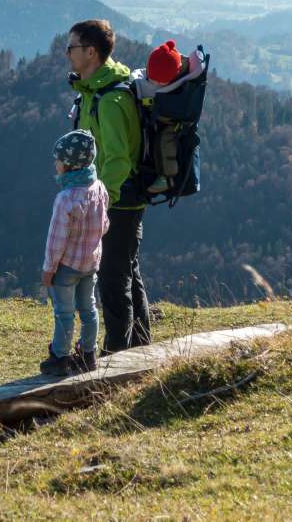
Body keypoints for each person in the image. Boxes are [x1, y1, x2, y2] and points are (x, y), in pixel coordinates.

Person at [65, 19, 150, 352]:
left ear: (91, 52)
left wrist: (102, 201)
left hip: (119, 201)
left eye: (71, 47)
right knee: (127, 270)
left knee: (114, 280)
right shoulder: (93, 91)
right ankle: (142, 347)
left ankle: (117, 354)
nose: (67, 54)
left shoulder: (111, 100)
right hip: (116, 197)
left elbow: (117, 160)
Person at [40, 129, 110, 375]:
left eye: (57, 160)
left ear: (69, 165)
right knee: (89, 309)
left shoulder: (65, 198)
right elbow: (105, 225)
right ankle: (88, 355)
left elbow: (56, 240)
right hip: (91, 263)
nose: (55, 164)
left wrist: (49, 269)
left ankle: (60, 358)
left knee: (64, 313)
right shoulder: (99, 188)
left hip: (67, 267)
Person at [131, 40, 207, 194]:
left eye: (161, 81)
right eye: (153, 79)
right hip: (166, 117)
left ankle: (167, 177)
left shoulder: (176, 82)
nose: (157, 83)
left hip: (172, 122)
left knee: (165, 141)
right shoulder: (179, 74)